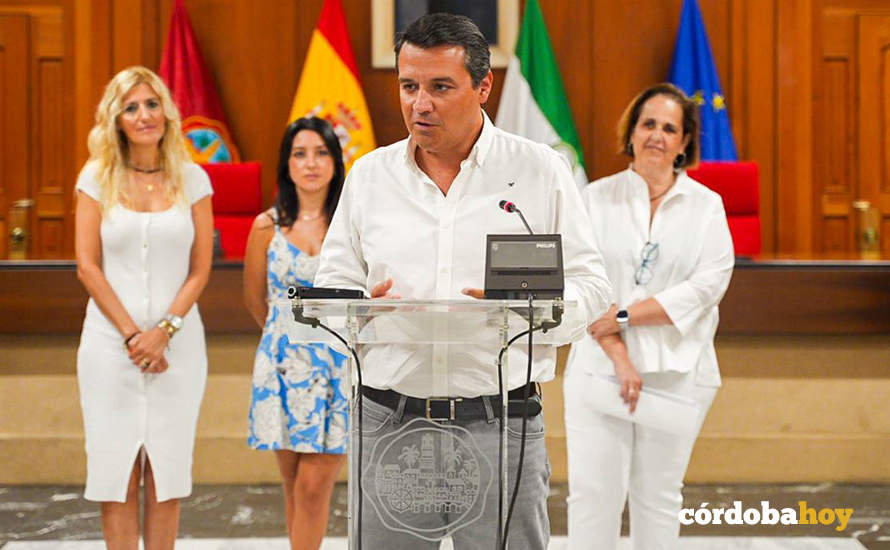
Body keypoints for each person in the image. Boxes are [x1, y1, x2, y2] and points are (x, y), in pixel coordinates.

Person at [314, 13, 611, 549]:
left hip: (500, 422)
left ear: (483, 86)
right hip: (390, 419)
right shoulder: (369, 177)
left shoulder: (539, 170)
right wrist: (361, 305)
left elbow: (591, 286)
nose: (419, 104)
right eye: (409, 86)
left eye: (439, 87)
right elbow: (334, 280)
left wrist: (530, 314)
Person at [563, 82, 735, 550]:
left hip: (679, 374)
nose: (657, 135)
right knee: (594, 495)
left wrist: (623, 315)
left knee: (658, 496)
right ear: (632, 132)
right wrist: (619, 354)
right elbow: (582, 281)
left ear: (685, 143)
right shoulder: (594, 199)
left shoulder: (707, 206)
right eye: (648, 124)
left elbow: (707, 286)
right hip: (599, 371)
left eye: (670, 128)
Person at [74, 66, 214, 550]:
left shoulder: (193, 178)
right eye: (131, 107)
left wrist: (165, 331)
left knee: (166, 468)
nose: (144, 115)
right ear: (116, 119)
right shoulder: (96, 178)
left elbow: (200, 269)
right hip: (110, 348)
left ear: (167, 112)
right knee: (115, 469)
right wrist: (135, 335)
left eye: (151, 103)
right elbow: (87, 266)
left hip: (179, 349)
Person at [243, 117, 348, 550]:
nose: (310, 164)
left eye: (321, 153)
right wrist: (285, 342)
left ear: (336, 162)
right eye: (299, 154)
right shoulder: (265, 226)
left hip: (336, 366)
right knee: (292, 488)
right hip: (281, 366)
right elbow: (255, 303)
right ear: (286, 164)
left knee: (313, 487)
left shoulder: (350, 223)